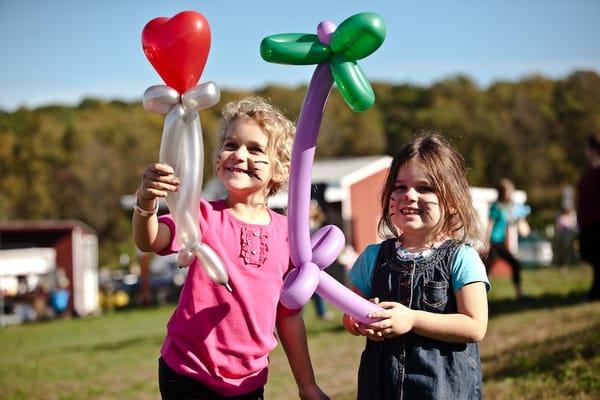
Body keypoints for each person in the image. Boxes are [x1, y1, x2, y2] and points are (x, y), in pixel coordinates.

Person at [133, 96, 328, 400]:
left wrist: (307, 385)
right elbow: (150, 239)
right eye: (230, 145)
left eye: (255, 149)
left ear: (279, 169)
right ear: (216, 159)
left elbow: (288, 316)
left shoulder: (288, 235)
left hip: (248, 382)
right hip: (188, 371)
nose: (239, 154)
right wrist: (145, 201)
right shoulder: (201, 216)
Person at [343, 133, 490, 400]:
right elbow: (349, 313)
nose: (409, 195)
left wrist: (411, 319)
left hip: (444, 389)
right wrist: (359, 322)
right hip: (381, 387)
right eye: (400, 187)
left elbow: (475, 326)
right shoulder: (373, 257)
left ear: (452, 201)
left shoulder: (461, 257)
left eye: (424, 188)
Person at [485, 178, 527, 299]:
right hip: (493, 243)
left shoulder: (507, 207)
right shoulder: (496, 207)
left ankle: (519, 293)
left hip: (500, 243)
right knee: (485, 271)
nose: (511, 193)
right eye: (509, 191)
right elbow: (490, 225)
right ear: (503, 192)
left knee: (515, 264)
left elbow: (510, 224)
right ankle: (480, 299)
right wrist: (486, 243)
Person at [577, 134, 600, 301]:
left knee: (595, 256)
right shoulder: (590, 170)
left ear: (592, 150)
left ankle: (595, 292)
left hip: (596, 223)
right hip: (587, 223)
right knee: (588, 254)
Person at [309, 200, 332, 320]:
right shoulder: (302, 223)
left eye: (312, 208)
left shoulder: (317, 224)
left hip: (316, 260)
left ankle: (322, 312)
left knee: (319, 288)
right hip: (305, 260)